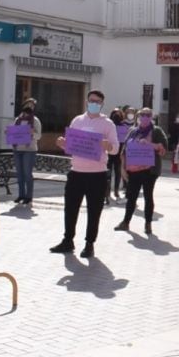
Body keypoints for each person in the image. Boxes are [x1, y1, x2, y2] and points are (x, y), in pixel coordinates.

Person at [50, 90, 119, 258]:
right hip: (76, 172)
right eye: (91, 100)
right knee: (70, 208)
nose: (93, 103)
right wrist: (62, 143)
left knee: (94, 210)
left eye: (97, 101)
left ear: (102, 104)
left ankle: (89, 244)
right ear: (87, 101)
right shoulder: (77, 120)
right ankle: (68, 240)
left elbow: (116, 148)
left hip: (97, 174)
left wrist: (107, 146)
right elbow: (71, 145)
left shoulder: (108, 124)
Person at [116, 107, 168, 234]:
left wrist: (150, 145)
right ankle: (126, 222)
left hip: (150, 171)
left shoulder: (156, 131)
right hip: (133, 170)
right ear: (138, 117)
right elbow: (124, 150)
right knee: (131, 197)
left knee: (148, 196)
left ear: (151, 117)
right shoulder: (133, 131)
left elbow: (164, 150)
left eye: (147, 115)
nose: (144, 117)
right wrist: (123, 169)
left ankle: (148, 223)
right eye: (142, 115)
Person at [12, 100, 41, 205]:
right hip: (18, 149)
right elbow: (13, 132)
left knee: (27, 174)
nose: (29, 107)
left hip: (29, 150)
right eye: (27, 105)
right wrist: (9, 133)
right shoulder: (17, 120)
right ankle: (21, 195)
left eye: (32, 105)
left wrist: (33, 133)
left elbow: (39, 136)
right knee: (20, 174)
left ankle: (29, 196)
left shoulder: (35, 120)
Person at [106, 108, 126, 203]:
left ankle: (116, 190)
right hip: (110, 152)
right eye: (115, 113)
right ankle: (109, 190)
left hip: (118, 153)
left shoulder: (123, 127)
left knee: (117, 173)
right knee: (109, 172)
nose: (116, 116)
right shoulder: (109, 126)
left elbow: (125, 140)